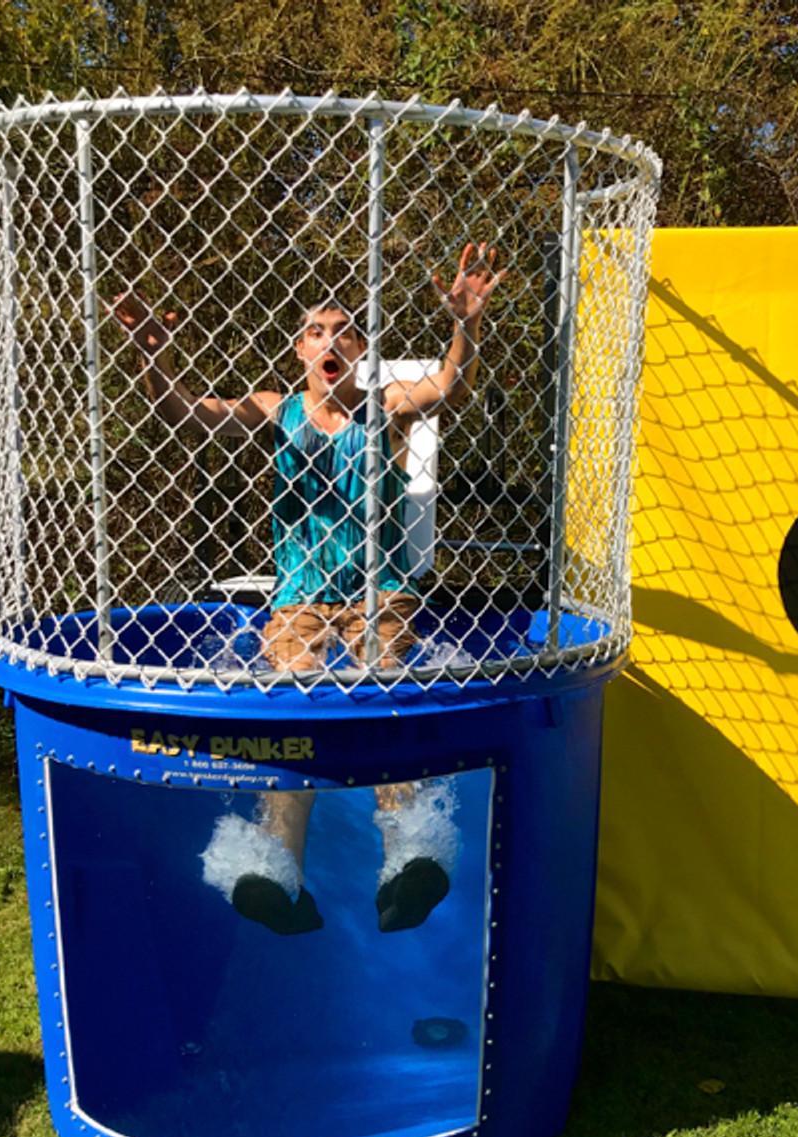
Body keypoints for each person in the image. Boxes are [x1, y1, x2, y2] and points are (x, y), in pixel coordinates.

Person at [109, 243, 505, 935]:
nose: (330, 339)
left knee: (384, 697)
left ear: (360, 350)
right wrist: (154, 355)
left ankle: (410, 863)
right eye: (316, 331)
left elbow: (451, 386)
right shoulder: (276, 409)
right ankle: (275, 871)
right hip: (296, 600)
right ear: (299, 350)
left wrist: (465, 325)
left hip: (381, 594)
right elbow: (185, 413)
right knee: (287, 719)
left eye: (343, 330)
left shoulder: (386, 407)